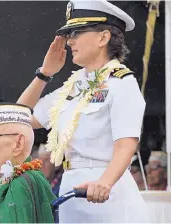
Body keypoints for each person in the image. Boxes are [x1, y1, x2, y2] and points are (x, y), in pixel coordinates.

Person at [17, 0, 148, 222]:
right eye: (69, 34)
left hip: (108, 193)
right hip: (72, 188)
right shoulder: (75, 85)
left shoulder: (122, 83)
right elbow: (18, 118)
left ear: (103, 37)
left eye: (77, 33)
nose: (70, 41)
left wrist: (104, 183)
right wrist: (44, 74)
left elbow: (126, 145)